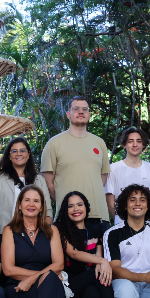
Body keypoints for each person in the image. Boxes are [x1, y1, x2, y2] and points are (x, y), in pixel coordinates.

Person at [55, 191, 138, 298]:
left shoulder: (96, 227)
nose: (75, 209)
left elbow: (99, 260)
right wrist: (102, 262)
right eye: (70, 206)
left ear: (86, 207)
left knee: (93, 293)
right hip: (67, 285)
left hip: (90, 283)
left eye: (79, 204)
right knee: (96, 274)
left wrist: (102, 263)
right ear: (64, 210)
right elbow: (73, 253)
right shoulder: (60, 228)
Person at [41, 96, 111, 236]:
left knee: (101, 258)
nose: (81, 112)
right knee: (69, 258)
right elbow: (48, 183)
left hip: (98, 215)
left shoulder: (99, 143)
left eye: (85, 109)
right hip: (68, 217)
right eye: (76, 109)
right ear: (68, 114)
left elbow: (102, 177)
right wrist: (68, 204)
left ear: (89, 115)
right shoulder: (54, 144)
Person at [0, 137, 52, 234]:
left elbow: (47, 211)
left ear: (28, 154)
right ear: (9, 156)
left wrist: (44, 236)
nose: (19, 153)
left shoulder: (39, 180)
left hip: (33, 237)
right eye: (14, 151)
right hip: (4, 235)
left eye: (23, 150)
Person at [104, 127, 150, 225]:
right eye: (130, 141)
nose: (135, 144)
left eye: (139, 141)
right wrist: (119, 221)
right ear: (124, 145)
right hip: (122, 225)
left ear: (143, 145)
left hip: (147, 225)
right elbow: (110, 204)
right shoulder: (113, 168)